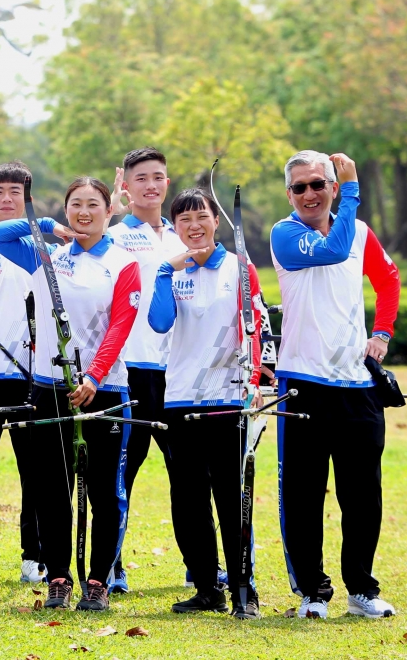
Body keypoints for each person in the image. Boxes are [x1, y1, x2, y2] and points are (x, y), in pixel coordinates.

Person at [0, 177, 141, 612]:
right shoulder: (46, 257)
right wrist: (51, 227)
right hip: (48, 389)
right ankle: (58, 578)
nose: (84, 212)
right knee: (52, 489)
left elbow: (121, 324)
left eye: (93, 205)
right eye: (76, 205)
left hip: (104, 389)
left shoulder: (123, 262)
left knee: (104, 492)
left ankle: (97, 582)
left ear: (110, 212)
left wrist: (93, 376)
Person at [270, 151, 400, 620]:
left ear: (331, 187)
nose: (310, 194)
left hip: (357, 385)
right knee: (304, 495)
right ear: (289, 194)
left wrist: (381, 333)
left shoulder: (358, 230)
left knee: (363, 495)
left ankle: (362, 589)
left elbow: (387, 279)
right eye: (300, 187)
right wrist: (353, 193)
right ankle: (312, 593)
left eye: (319, 184)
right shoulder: (285, 234)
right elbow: (332, 250)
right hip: (303, 382)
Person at [147, 187, 263, 620]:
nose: (194, 226)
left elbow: (257, 330)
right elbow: (159, 322)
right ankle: (206, 586)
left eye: (201, 217)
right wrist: (163, 272)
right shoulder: (172, 272)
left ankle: (242, 590)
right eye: (184, 220)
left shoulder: (239, 267)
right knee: (188, 499)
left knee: (232, 499)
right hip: (178, 399)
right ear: (174, 228)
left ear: (216, 221)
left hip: (228, 398)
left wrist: (254, 380)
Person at [104, 147, 189, 593]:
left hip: (179, 374)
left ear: (167, 183)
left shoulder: (187, 234)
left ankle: (201, 563)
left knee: (189, 473)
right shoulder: (115, 237)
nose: (150, 186)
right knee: (121, 473)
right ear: (126, 186)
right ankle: (111, 563)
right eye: (141, 178)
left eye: (158, 177)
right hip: (130, 372)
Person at [0, 161, 44, 584]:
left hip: (28, 377)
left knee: (33, 472)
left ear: (27, 199)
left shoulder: (42, 246)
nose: (5, 199)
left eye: (14, 193)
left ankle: (33, 557)